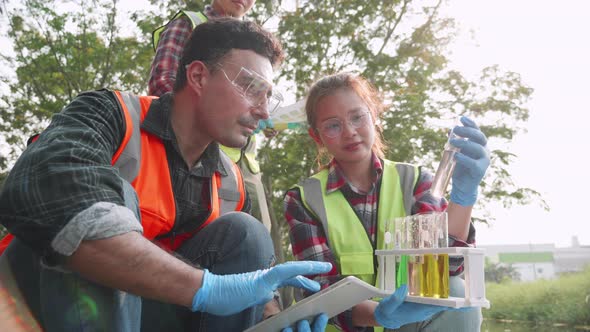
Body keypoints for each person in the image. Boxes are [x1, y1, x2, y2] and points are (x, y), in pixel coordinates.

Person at [0, 18, 331, 332]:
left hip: (147, 311)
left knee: (248, 234)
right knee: (103, 200)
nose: (262, 110)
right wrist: (207, 288)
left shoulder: (231, 185)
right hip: (29, 308)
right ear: (199, 77)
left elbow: (246, 290)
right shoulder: (110, 114)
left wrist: (273, 319)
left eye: (268, 97)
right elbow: (43, 190)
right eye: (251, 87)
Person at [284, 72, 489, 331]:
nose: (350, 132)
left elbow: (445, 267)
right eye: (333, 125)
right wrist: (379, 314)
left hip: (408, 326)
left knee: (458, 289)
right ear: (317, 137)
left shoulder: (414, 182)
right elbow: (316, 290)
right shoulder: (303, 199)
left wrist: (463, 197)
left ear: (374, 116)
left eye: (357, 117)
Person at [150, 0, 275, 228]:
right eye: (245, 84)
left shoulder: (258, 46)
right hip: (190, 155)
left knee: (255, 237)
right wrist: (199, 126)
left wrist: (263, 121)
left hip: (244, 166)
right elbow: (162, 84)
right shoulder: (189, 23)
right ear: (197, 75)